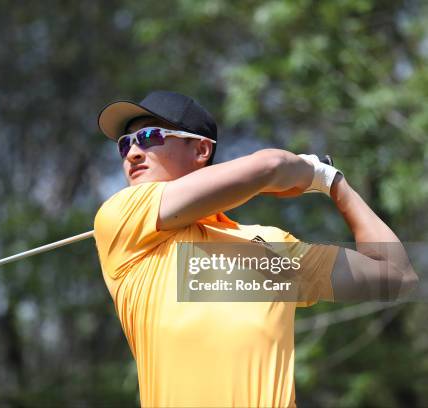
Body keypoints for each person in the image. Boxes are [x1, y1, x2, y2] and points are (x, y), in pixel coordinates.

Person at [93, 90, 417, 407]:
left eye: (150, 137)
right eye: (126, 144)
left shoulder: (268, 246)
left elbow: (396, 275)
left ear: (201, 150)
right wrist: (308, 171)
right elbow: (271, 165)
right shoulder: (122, 219)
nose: (133, 153)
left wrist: (334, 184)